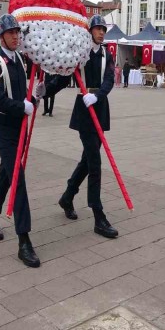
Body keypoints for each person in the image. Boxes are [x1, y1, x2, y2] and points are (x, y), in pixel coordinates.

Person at [40, 15, 119, 239]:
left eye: (104, 29)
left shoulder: (106, 54)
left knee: (87, 159)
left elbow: (109, 80)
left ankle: (67, 195)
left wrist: (98, 96)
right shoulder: (80, 53)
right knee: (95, 162)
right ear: (90, 31)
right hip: (84, 110)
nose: (102, 32)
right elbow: (63, 79)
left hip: (99, 107)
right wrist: (45, 90)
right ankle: (98, 215)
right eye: (98, 29)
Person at [0, 14, 40, 268]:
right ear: (1, 36)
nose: (16, 36)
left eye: (18, 33)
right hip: (5, 130)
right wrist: (23, 107)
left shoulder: (18, 59)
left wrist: (36, 97)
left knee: (7, 176)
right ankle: (24, 241)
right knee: (18, 179)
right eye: (11, 33)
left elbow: (23, 96)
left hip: (20, 127)